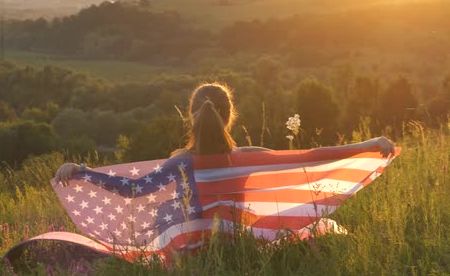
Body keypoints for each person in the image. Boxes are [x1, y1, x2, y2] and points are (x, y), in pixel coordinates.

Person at [55, 82, 395, 185]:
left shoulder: (179, 162)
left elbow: (132, 190)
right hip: (240, 249)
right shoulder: (247, 157)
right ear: (230, 117)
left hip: (187, 255)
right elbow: (308, 157)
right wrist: (368, 144)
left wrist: (83, 172)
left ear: (190, 115)